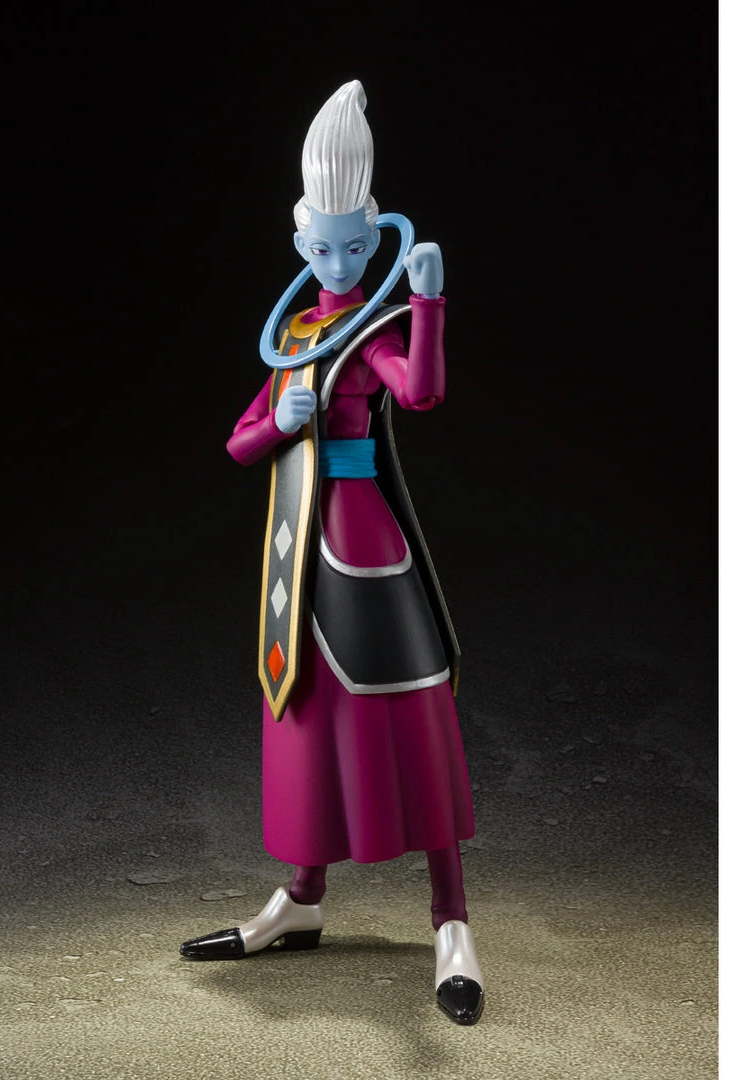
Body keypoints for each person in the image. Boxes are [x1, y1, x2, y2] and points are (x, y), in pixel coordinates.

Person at [179, 80, 484, 1026]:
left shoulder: (372, 325)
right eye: (325, 248)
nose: (341, 263)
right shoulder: (293, 336)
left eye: (355, 247)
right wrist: (284, 420)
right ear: (301, 238)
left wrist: (425, 302)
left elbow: (421, 394)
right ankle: (302, 897)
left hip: (366, 544)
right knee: (305, 716)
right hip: (299, 554)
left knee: (412, 712)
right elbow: (239, 444)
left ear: (376, 234)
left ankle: (452, 919)